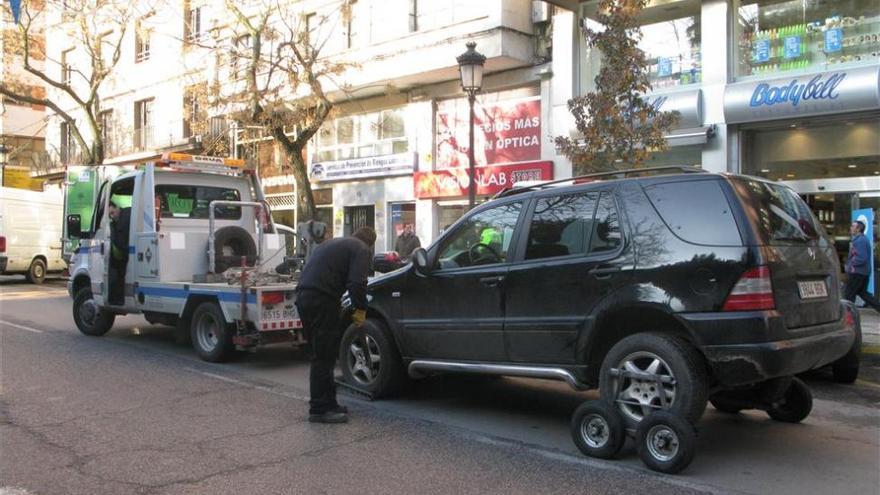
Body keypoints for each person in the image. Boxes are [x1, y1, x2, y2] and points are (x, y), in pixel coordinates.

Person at [295, 226, 376, 423]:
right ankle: (319, 409)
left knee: (324, 353)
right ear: (371, 243)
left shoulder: (334, 243)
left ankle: (330, 403)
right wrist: (361, 308)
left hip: (304, 297)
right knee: (323, 356)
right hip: (322, 300)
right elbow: (357, 283)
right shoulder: (361, 249)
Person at [844, 220, 880, 313]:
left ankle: (848, 314)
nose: (851, 228)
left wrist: (850, 265)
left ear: (858, 229)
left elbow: (861, 258)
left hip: (857, 272)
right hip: (862, 272)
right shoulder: (861, 239)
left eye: (853, 226)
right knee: (863, 293)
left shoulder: (860, 240)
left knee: (849, 294)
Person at [108, 201, 131, 306]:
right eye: (110, 215)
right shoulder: (114, 222)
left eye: (112, 213)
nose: (112, 216)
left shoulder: (128, 213)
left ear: (116, 207)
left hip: (128, 253)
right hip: (120, 257)